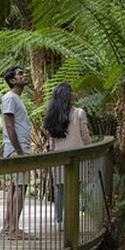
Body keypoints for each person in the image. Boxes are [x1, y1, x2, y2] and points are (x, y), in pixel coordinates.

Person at [42, 82, 91, 227]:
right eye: (72, 92)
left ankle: (60, 220)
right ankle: (72, 220)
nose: (74, 94)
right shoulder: (79, 113)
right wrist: (90, 148)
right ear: (67, 96)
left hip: (59, 157)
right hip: (78, 156)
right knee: (75, 188)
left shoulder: (52, 116)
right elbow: (85, 135)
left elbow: (51, 141)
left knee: (60, 188)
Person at [1, 66, 32, 239]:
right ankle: (13, 229)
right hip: (17, 150)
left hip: (18, 148)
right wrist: (19, 150)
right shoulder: (10, 98)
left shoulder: (16, 98)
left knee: (14, 187)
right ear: (12, 80)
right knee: (21, 187)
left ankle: (8, 226)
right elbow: (9, 125)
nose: (24, 75)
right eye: (20, 74)